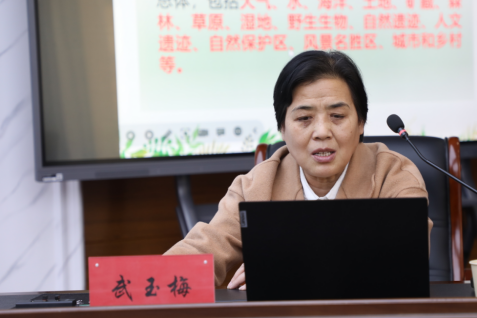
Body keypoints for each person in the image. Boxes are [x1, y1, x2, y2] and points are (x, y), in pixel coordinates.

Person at [164, 50, 432, 290]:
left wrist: (283, 270)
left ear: (361, 122)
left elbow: (407, 257)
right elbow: (204, 248)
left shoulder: (393, 174)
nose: (322, 132)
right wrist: (152, 280)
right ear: (282, 128)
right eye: (304, 118)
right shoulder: (258, 184)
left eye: (337, 116)